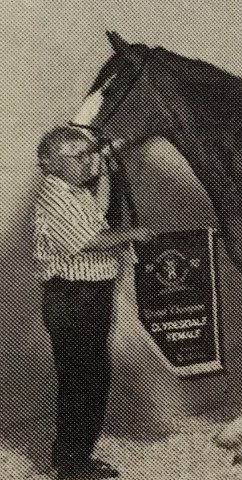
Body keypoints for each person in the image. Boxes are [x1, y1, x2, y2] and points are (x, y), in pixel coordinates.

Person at [33, 126, 155, 479]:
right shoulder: (53, 197)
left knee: (94, 375)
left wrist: (104, 172)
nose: (88, 163)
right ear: (49, 162)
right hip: (71, 298)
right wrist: (135, 233)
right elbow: (92, 240)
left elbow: (99, 210)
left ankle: (78, 455)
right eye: (80, 157)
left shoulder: (74, 191)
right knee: (80, 380)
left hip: (92, 295)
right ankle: (70, 464)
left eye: (91, 155)